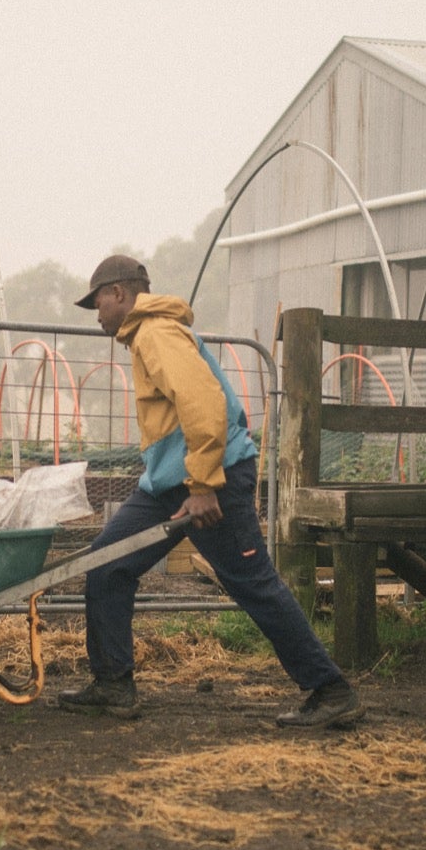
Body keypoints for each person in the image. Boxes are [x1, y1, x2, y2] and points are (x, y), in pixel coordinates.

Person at [56, 255, 365, 728]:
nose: (95, 313)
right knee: (108, 563)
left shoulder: (156, 333)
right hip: (166, 482)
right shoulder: (147, 335)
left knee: (252, 583)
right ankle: (113, 684)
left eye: (96, 301)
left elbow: (205, 403)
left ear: (119, 293)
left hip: (211, 478)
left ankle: (331, 690)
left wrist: (203, 485)